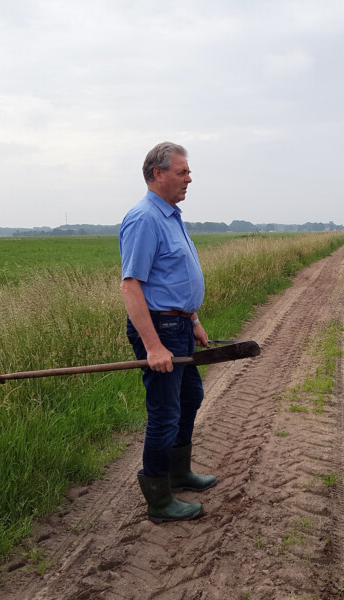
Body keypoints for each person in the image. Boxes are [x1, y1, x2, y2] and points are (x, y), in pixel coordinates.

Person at [119, 141, 217, 524]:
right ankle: (159, 500)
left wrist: (193, 321)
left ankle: (179, 473)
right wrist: (153, 345)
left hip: (179, 324)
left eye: (188, 172)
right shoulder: (144, 218)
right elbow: (131, 286)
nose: (189, 179)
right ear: (158, 174)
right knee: (164, 413)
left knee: (191, 395)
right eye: (182, 171)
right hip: (159, 329)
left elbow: (174, 276)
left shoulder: (171, 215)